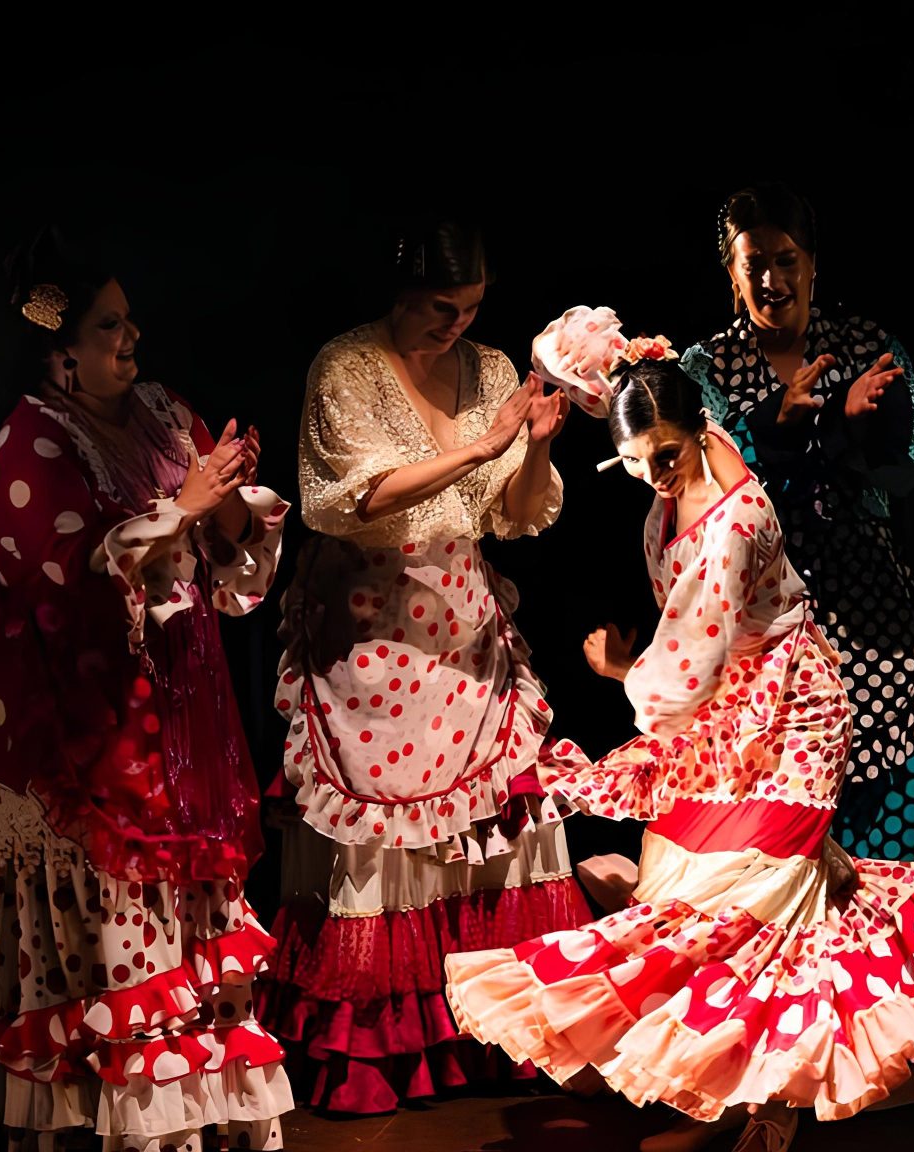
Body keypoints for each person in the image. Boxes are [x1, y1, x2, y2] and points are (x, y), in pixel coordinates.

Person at [445, 333, 914, 1152]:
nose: (652, 475)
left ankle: (764, 1101)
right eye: (633, 462)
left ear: (697, 430)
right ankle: (745, 1084)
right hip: (733, 714)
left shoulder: (732, 524)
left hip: (790, 720)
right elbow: (616, 376)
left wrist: (621, 669)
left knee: (747, 905)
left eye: (663, 456)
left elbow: (689, 664)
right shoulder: (691, 454)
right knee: (704, 886)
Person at [0, 228, 293, 1151]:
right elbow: (60, 571)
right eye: (108, 326)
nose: (131, 339)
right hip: (78, 719)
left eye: (130, 322)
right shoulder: (32, 436)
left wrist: (225, 505)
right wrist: (184, 509)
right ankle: (99, 1110)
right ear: (58, 351)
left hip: (178, 703)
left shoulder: (165, 413)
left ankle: (184, 1105)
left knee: (181, 888)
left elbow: (222, 553)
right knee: (101, 908)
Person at [260, 220, 591, 1114]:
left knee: (491, 830)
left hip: (463, 625)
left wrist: (537, 444)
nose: (458, 323)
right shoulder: (346, 367)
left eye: (473, 307)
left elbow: (516, 513)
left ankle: (496, 1037)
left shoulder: (491, 370)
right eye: (444, 306)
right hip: (370, 632)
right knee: (382, 840)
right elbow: (359, 497)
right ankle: (385, 1055)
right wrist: (481, 447)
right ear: (401, 291)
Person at [685, 185, 914, 863]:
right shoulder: (705, 368)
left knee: (888, 781)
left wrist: (861, 432)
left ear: (813, 264)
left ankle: (889, 912)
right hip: (767, 609)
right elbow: (710, 491)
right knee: (787, 785)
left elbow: (910, 469)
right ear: (731, 274)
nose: (771, 280)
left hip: (870, 606)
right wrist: (785, 427)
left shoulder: (868, 345)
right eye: (754, 264)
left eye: (786, 260)